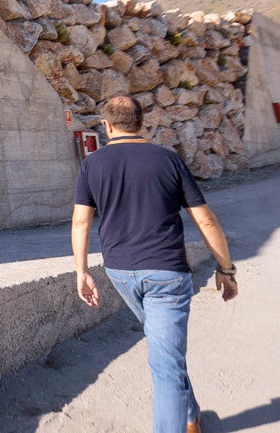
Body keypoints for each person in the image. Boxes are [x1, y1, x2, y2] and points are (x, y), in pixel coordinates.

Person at [72, 95, 239, 433]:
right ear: (141, 122)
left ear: (107, 125)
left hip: (120, 272)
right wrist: (226, 269)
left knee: (165, 354)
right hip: (166, 273)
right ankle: (182, 420)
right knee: (166, 360)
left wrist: (82, 271)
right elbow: (205, 220)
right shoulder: (168, 160)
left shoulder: (93, 163)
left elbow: (80, 222)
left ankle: (190, 418)